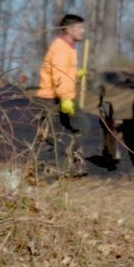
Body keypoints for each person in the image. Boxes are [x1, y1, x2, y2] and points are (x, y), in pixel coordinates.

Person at [36, 14, 87, 173]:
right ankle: (56, 167)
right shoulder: (61, 48)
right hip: (53, 98)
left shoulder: (69, 46)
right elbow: (59, 75)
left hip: (59, 96)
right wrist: (65, 98)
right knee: (78, 127)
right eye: (79, 27)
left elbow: (64, 71)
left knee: (57, 133)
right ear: (68, 29)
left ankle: (65, 167)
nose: (82, 31)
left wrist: (75, 73)